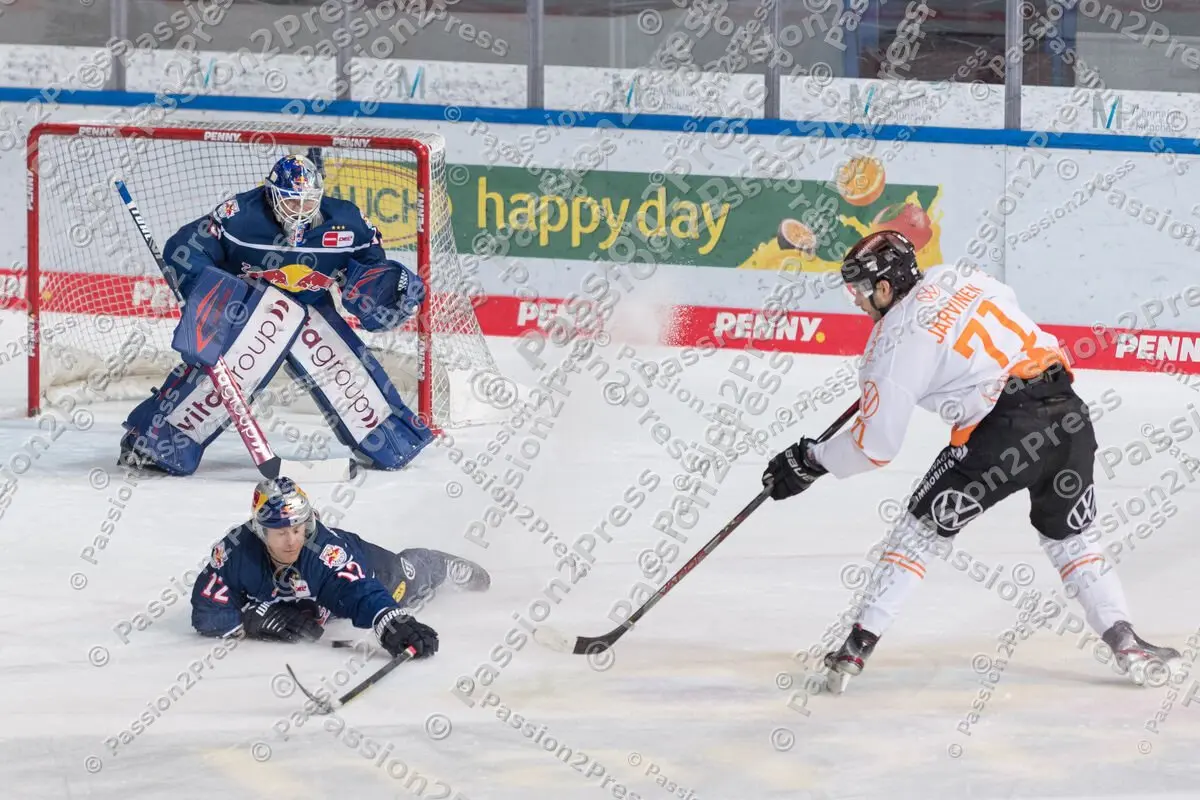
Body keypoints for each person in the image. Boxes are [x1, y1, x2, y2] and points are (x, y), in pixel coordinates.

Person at [762, 230, 1180, 693]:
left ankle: (856, 647)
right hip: (1070, 420)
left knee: (918, 533)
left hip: (1002, 437)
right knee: (1074, 537)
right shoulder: (960, 274)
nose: (857, 303)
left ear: (884, 288)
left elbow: (874, 447)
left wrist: (812, 459)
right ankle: (1125, 640)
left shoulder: (890, 345)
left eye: (861, 291)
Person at [119, 153, 432, 476]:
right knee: (233, 369)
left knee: (344, 371)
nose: (299, 209)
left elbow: (371, 265)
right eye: (290, 201)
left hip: (310, 307)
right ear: (271, 194)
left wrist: (386, 287)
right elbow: (186, 248)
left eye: (306, 201)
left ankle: (390, 441)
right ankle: (155, 443)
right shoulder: (238, 215)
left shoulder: (348, 221)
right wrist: (210, 295)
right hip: (248, 309)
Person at [191, 476, 489, 657]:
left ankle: (433, 564)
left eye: (299, 528)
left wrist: (393, 623)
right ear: (259, 531)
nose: (292, 540)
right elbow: (206, 611)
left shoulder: (325, 549)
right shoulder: (234, 552)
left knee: (403, 584)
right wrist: (253, 619)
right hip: (313, 603)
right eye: (281, 532)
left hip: (365, 567)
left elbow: (358, 590)